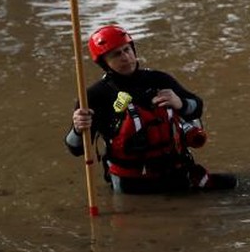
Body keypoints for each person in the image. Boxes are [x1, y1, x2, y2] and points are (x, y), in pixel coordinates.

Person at [65, 24, 237, 194]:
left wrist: (180, 103)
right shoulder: (95, 96)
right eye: (116, 54)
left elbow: (196, 108)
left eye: (127, 50)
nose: (125, 57)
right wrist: (78, 129)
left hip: (176, 170)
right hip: (131, 183)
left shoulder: (159, 80)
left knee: (233, 185)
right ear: (104, 63)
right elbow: (75, 148)